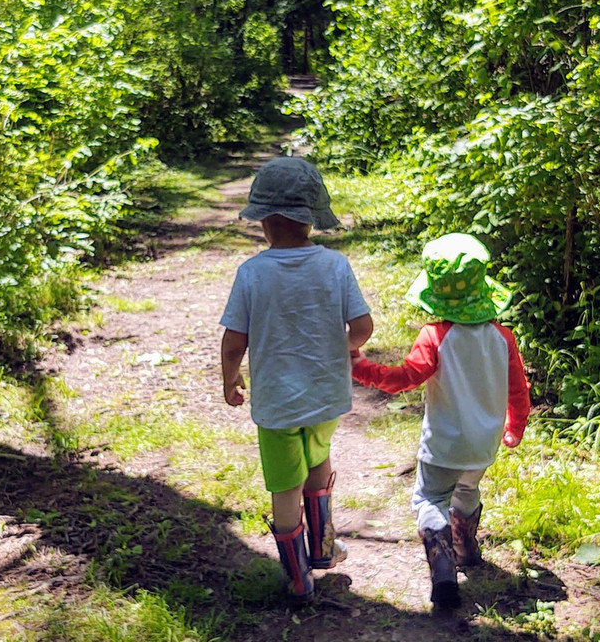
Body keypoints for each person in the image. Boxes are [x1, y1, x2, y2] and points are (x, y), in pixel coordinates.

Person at [219, 156, 374, 605]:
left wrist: (230, 380)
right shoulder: (335, 266)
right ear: (312, 219)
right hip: (326, 396)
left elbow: (234, 341)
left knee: (285, 484)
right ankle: (323, 549)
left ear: (264, 221)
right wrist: (342, 347)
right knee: (318, 460)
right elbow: (363, 327)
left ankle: (298, 578)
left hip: (277, 404)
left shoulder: (252, 273)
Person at [350, 232, 530, 609]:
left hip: (443, 446)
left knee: (430, 498)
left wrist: (362, 369)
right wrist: (515, 426)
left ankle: (444, 567)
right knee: (467, 492)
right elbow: (518, 388)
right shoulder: (503, 337)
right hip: (483, 446)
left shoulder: (434, 336)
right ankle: (466, 548)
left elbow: (404, 379)